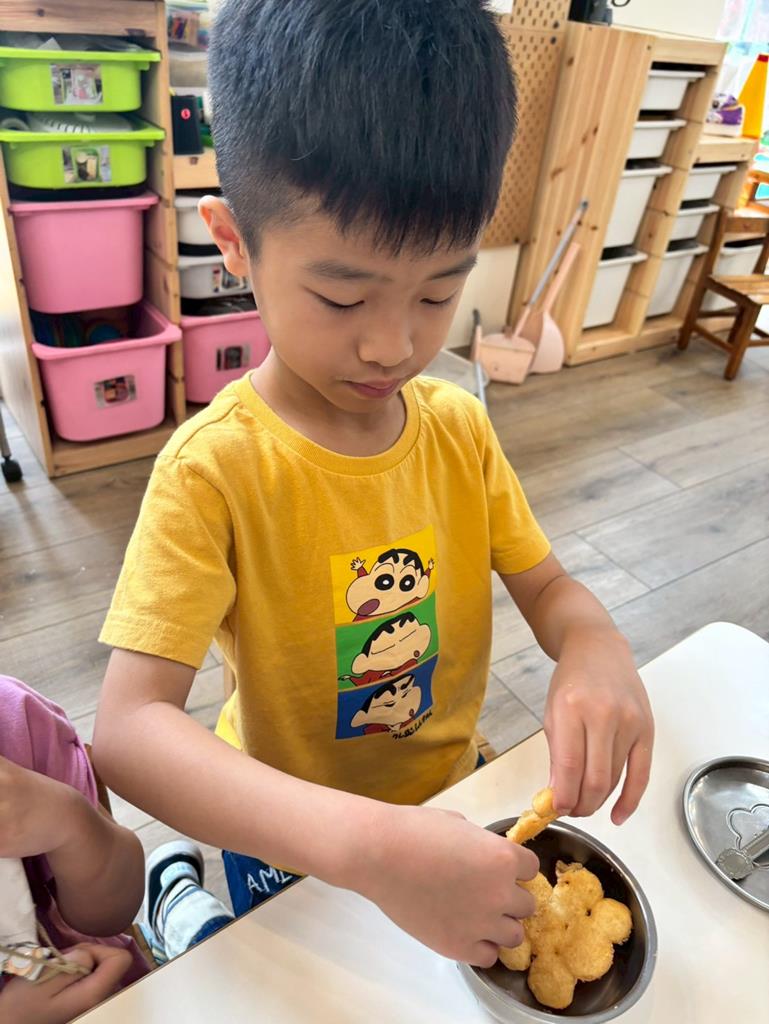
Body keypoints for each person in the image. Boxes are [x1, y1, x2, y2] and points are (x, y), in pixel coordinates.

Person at [94, 0, 654, 970]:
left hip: (454, 798)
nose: (393, 345)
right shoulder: (213, 469)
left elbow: (549, 586)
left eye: (439, 291)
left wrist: (594, 643)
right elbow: (128, 730)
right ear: (233, 242)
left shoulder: (457, 428)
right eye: (342, 296)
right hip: (298, 843)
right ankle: (180, 895)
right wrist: (367, 847)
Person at [0, 676, 233, 1023]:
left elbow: (114, 913)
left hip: (111, 984)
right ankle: (179, 905)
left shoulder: (16, 724)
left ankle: (176, 904)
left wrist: (70, 823)